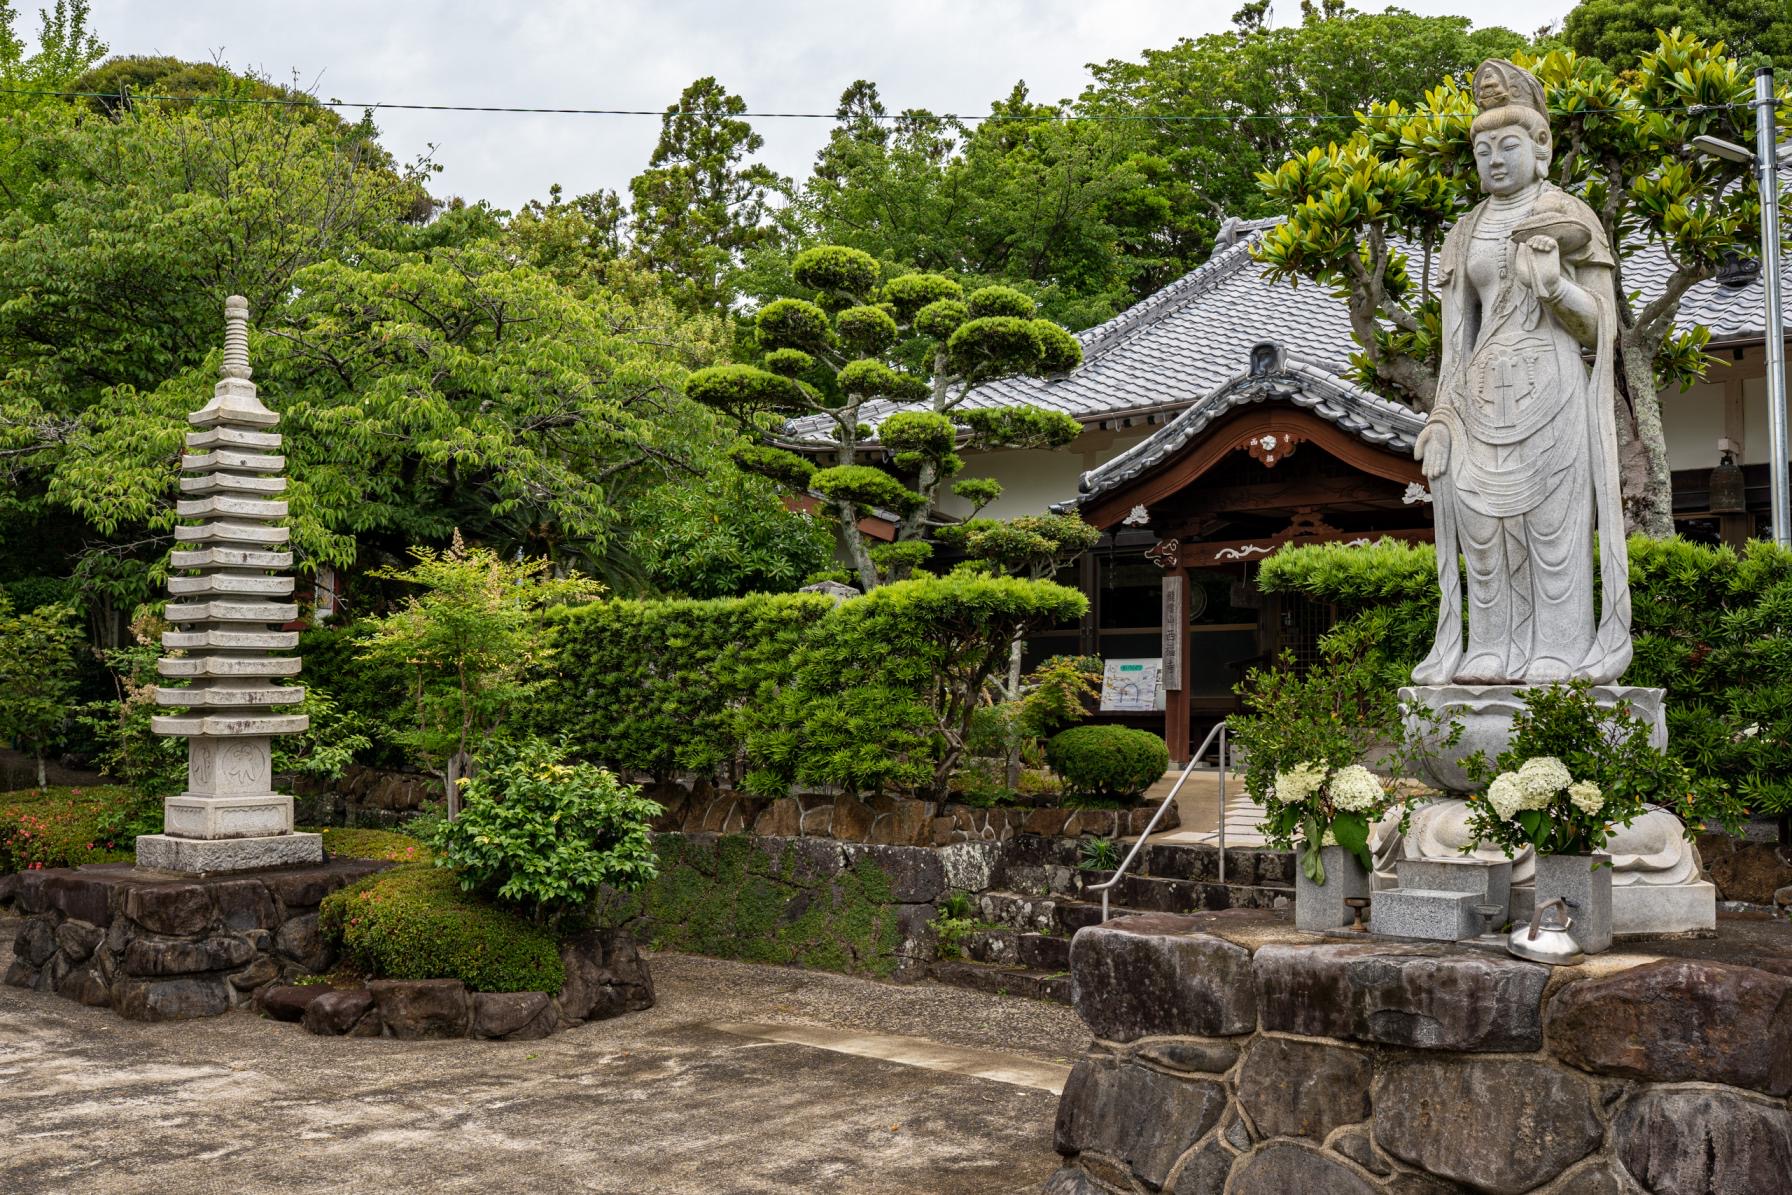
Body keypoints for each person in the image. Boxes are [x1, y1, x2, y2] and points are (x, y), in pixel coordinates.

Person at [1412, 59, 1631, 688]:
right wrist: (1441, 418)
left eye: (1509, 146)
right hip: (1483, 396)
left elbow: (1600, 329)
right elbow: (1456, 342)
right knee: (1483, 535)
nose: (1495, 160)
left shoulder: (1571, 217)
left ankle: (1559, 648)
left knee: (1553, 531)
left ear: (1541, 148)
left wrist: (1557, 286)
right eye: (1482, 150)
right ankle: (1490, 646)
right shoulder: (1465, 232)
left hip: (1554, 388)